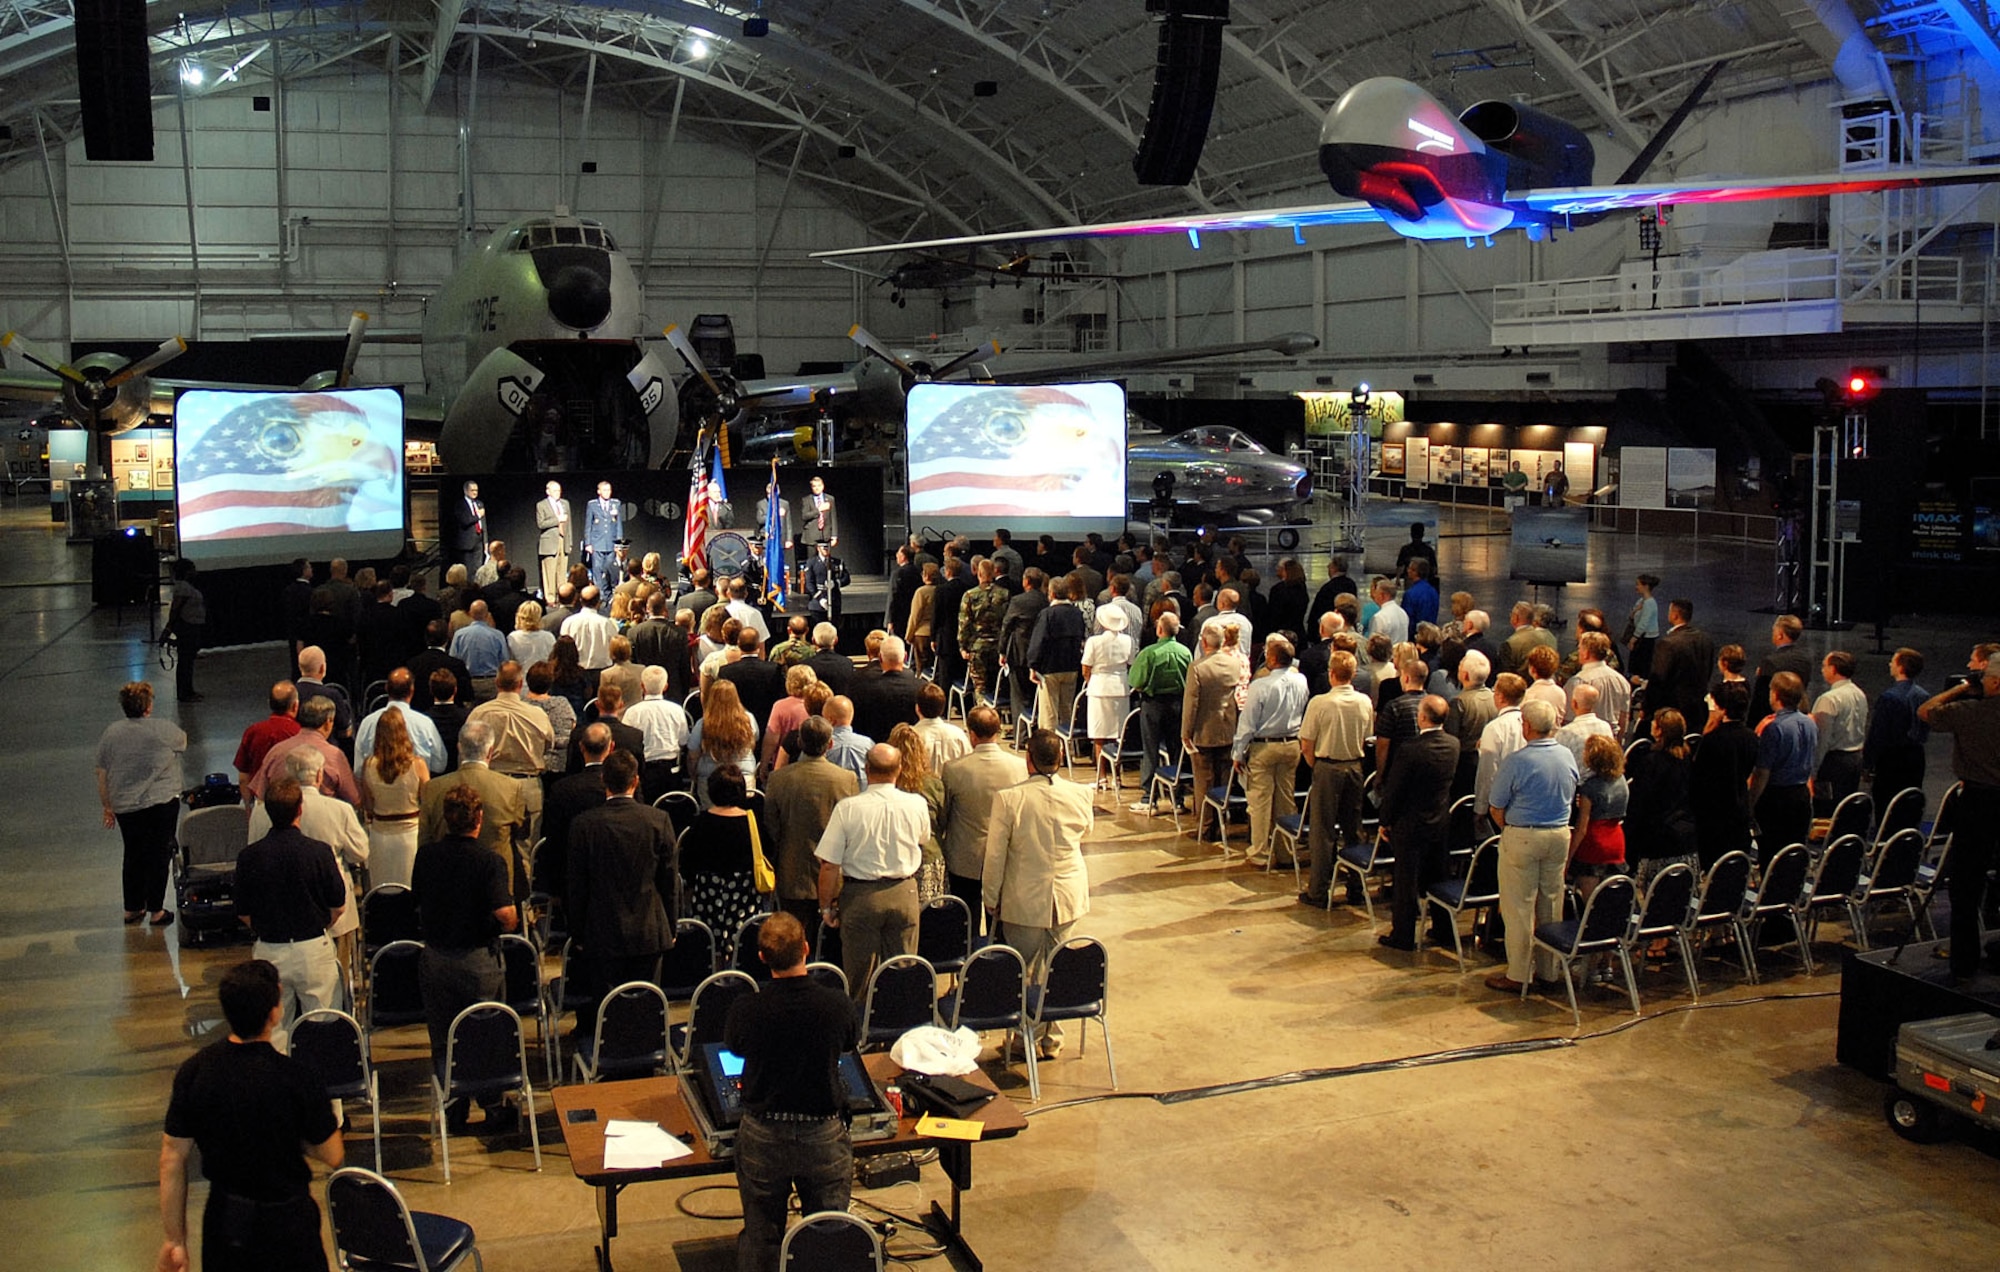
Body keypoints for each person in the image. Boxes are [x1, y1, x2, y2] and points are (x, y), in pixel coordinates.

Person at [158, 959, 343, 1272]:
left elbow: (172, 1158)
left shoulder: (196, 1071)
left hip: (227, 1218)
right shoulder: (297, 1077)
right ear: (275, 1010)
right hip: (288, 1219)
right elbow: (333, 1154)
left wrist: (175, 1240)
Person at [723, 910, 861, 1272]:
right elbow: (848, 1044)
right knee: (828, 1234)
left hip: (763, 1135)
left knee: (761, 1238)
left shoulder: (747, 1009)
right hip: (824, 1134)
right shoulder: (837, 1006)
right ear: (806, 948)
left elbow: (735, 1048)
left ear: (762, 958)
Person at [410, 784, 519, 1133]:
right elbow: (505, 914)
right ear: (479, 819)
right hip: (478, 961)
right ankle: (492, 1105)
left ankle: (452, 1103)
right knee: (484, 1033)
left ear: (445, 819)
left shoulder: (426, 856)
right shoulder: (489, 861)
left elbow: (417, 900)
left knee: (443, 1035)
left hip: (437, 957)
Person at [566, 750, 679, 1028]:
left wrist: (577, 931)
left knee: (608, 1010)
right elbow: (670, 881)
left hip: (602, 930)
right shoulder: (657, 820)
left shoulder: (584, 824)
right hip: (649, 929)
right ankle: (647, 1062)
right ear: (636, 780)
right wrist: (671, 926)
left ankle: (613, 1064)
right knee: (647, 1008)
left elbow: (575, 886)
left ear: (603, 780)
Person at [233, 777, 346, 1048]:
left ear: (268, 811)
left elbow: (243, 911)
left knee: (272, 1031)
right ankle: (324, 1086)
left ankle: (278, 1086)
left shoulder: (249, 856)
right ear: (300, 809)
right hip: (313, 948)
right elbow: (338, 905)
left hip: (270, 949)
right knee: (324, 1023)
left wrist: (265, 928)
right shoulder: (319, 852)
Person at [815, 742, 930, 994]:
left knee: (859, 975)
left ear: (866, 770)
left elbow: (829, 865)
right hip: (904, 893)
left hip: (861, 898)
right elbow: (923, 839)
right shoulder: (917, 804)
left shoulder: (848, 809)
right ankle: (897, 1023)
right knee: (903, 968)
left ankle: (861, 1026)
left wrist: (825, 906)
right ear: (899, 769)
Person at [1485, 699, 1579, 994]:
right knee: (1552, 902)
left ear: (1526, 726)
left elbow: (1496, 805)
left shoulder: (1517, 761)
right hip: (1559, 834)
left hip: (1523, 835)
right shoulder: (1567, 756)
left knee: (1518, 907)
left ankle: (1519, 973)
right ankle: (1549, 971)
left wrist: (1511, 829)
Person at [1917, 660, 2000, 981]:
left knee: (1966, 885)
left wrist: (1963, 687)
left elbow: (1926, 711)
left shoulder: (1970, 712)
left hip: (1979, 802)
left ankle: (1963, 964)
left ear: (1992, 684)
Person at [96, 680, 185, 926]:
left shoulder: (111, 733)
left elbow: (101, 771)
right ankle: (156, 909)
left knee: (133, 853)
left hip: (125, 804)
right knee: (160, 852)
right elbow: (183, 742)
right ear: (147, 707)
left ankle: (132, 907)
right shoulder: (163, 729)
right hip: (161, 801)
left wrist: (107, 806)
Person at [1377, 694, 1460, 949]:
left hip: (1410, 823)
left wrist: (1385, 820)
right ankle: (1443, 928)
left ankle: (1403, 935)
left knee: (1406, 881)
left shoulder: (1410, 749)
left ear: (1422, 717)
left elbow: (1396, 788)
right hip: (1439, 818)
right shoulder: (1453, 744)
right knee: (1438, 875)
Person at [1298, 651, 1372, 907]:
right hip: (1354, 767)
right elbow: (1366, 736)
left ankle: (1318, 890)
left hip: (1327, 767)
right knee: (1354, 829)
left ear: (1331, 674)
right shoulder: (1364, 702)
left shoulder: (1320, 703)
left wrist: (1316, 766)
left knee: (1323, 830)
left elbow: (1307, 744)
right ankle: (1356, 888)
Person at [1233, 635, 1308, 866]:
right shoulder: (1301, 680)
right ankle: (1286, 850)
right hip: (1291, 744)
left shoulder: (1260, 686)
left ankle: (1260, 851)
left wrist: (1238, 752)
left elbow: (1248, 722)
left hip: (1264, 746)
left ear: (1273, 659)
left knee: (1260, 800)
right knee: (1286, 799)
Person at [681, 767, 768, 963]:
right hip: (744, 895)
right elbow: (767, 852)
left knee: (708, 943)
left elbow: (688, 861)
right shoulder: (752, 822)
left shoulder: (701, 822)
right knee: (744, 942)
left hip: (708, 894)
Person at [1181, 625, 1243, 842]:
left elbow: (1191, 703)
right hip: (1227, 727)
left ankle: (1206, 828)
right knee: (1224, 779)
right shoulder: (1234, 663)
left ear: (1204, 643)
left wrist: (1186, 732)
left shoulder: (1197, 668)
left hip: (1204, 729)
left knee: (1204, 781)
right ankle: (1221, 823)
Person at [1128, 612, 1192, 813]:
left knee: (1151, 750)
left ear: (1159, 630)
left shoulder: (1149, 653)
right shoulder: (1186, 652)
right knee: (1176, 750)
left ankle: (1149, 798)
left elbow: (1136, 681)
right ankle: (1178, 799)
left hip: (1153, 704)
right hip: (1178, 705)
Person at [358, 706, 428, 889]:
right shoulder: (418, 765)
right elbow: (427, 801)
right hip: (411, 835)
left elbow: (368, 804)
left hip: (380, 836)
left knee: (382, 890)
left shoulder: (369, 765)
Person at [1750, 672, 1818, 861]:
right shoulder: (1810, 722)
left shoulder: (1774, 728)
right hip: (1801, 795)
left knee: (1771, 853)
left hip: (1776, 799)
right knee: (1793, 852)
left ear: (1776, 695)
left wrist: (1751, 803)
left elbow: (1763, 772)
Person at [1693, 682, 1759, 868]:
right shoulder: (1752, 737)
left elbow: (1699, 777)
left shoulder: (1712, 740)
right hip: (1739, 807)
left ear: (1722, 708)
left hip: (1713, 812)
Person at [887, 722, 949, 904]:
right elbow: (943, 820)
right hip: (929, 857)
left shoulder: (889, 785)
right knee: (932, 919)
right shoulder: (933, 784)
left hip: (896, 859)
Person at [354, 667, 448, 777]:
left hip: (375, 792)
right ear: (412, 690)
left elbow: (358, 770)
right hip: (416, 791)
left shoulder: (367, 723)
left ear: (386, 688)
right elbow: (440, 765)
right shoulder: (425, 723)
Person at [1080, 605, 1136, 789]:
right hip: (1120, 688)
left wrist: (1091, 680)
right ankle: (1117, 777)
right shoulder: (1128, 640)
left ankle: (1102, 777)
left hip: (1099, 687)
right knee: (1118, 735)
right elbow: (1131, 664)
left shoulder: (1094, 642)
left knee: (1099, 734)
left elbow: (1086, 667)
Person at [1568, 734, 1628, 902]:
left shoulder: (1589, 787)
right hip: (1616, 840)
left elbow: (1582, 828)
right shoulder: (1622, 780)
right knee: (1611, 901)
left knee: (1591, 904)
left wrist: (1569, 858)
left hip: (1593, 845)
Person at [1026, 574, 1088, 733]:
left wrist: (1033, 665)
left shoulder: (1047, 614)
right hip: (1072, 666)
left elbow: (1038, 642)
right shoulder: (1077, 613)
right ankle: (1066, 747)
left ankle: (1050, 750)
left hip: (1050, 668)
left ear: (1051, 594)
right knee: (1067, 710)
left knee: (1049, 713)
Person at [1866, 648, 1930, 798]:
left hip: (1892, 760)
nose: (1890, 664)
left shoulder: (1889, 698)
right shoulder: (1924, 695)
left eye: (1893, 661)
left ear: (1901, 667)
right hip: (1916, 757)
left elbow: (1878, 733)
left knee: (1887, 804)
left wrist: (1868, 762)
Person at [1811, 650, 1868, 814]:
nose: (1822, 670)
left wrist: (1813, 770)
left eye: (1824, 666)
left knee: (1828, 810)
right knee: (1846, 808)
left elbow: (1822, 739)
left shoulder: (1829, 699)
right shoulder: (1859, 693)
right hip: (1855, 758)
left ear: (1834, 669)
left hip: (1834, 763)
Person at [1645, 598, 1714, 731]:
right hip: (1698, 708)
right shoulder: (1705, 639)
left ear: (1675, 615)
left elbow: (1657, 679)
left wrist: (1647, 708)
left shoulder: (1668, 644)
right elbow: (1708, 669)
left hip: (1673, 711)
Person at [689, 678, 760, 804]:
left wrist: (694, 775)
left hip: (710, 778)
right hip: (743, 777)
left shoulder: (702, 724)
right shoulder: (749, 720)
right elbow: (753, 743)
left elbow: (693, 756)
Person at [958, 558, 1008, 708]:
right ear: (993, 573)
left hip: (977, 647)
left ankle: (982, 721)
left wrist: (962, 646)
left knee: (980, 688)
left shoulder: (970, 595)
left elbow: (964, 623)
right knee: (997, 687)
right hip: (998, 647)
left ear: (978, 573)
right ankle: (995, 720)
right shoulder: (1005, 594)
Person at [233, 683, 300, 790]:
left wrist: (248, 805)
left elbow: (243, 776)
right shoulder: (300, 733)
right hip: (293, 798)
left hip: (260, 799)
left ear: (269, 703)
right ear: (295, 706)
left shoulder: (253, 731)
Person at [583, 480, 623, 593]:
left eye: (609, 490)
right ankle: (599, 593)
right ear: (599, 491)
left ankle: (608, 592)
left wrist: (619, 542)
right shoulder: (592, 505)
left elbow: (618, 524)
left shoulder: (616, 503)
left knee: (610, 569)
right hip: (597, 543)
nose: (607, 492)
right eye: (604, 490)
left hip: (611, 542)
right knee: (597, 569)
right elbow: (588, 525)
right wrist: (588, 543)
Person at [536, 479, 572, 601]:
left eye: (559, 490)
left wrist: (569, 542)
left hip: (563, 540)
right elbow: (541, 524)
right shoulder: (541, 505)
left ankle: (562, 597)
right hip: (550, 543)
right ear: (548, 491)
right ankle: (550, 598)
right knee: (549, 573)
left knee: (562, 572)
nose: (558, 493)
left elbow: (569, 524)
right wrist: (558, 519)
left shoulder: (565, 503)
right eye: (555, 490)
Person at [1624, 574, 1661, 681]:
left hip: (1645, 639)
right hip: (1642, 637)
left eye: (1638, 584)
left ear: (1646, 586)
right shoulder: (1641, 601)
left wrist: (1633, 638)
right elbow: (1631, 616)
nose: (1636, 587)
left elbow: (1643, 623)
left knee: (1641, 665)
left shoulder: (1649, 603)